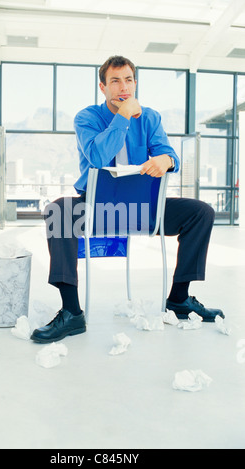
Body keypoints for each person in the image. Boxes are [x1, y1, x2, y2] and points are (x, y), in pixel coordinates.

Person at [31, 55, 224, 344]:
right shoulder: (87, 118)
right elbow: (96, 157)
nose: (124, 87)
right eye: (116, 81)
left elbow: (170, 155)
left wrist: (165, 160)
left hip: (142, 209)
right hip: (97, 208)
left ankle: (180, 299)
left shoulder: (150, 118)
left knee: (201, 212)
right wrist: (123, 117)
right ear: (103, 87)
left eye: (129, 79)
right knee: (57, 211)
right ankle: (71, 312)